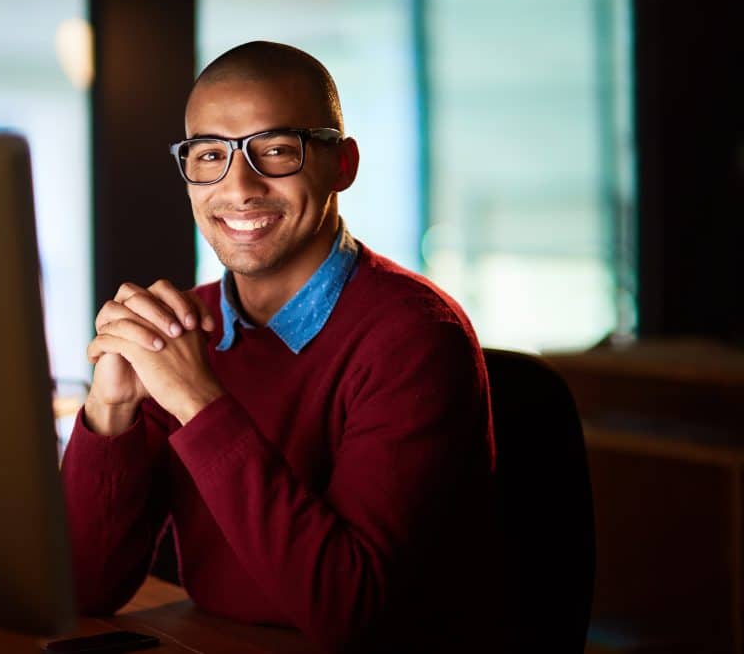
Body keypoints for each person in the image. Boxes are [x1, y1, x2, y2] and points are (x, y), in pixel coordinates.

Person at [60, 41, 502, 652]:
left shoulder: (417, 337)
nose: (238, 187)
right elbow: (82, 592)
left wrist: (197, 401)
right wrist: (110, 413)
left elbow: (354, 614)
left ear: (341, 165)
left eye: (274, 150)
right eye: (209, 154)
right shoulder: (186, 327)